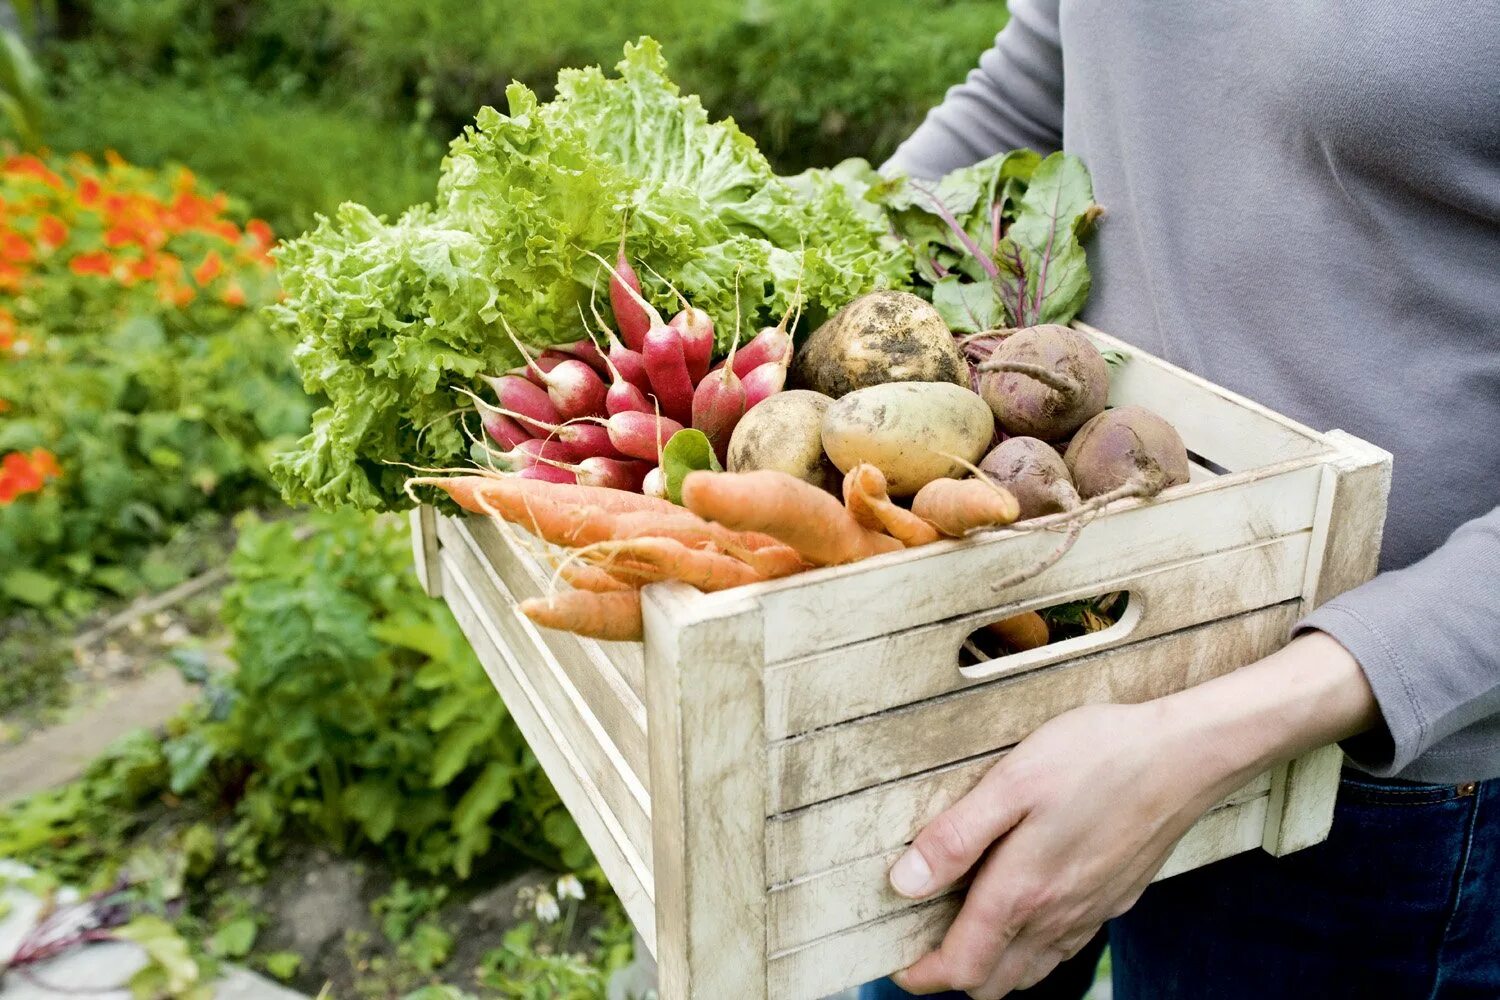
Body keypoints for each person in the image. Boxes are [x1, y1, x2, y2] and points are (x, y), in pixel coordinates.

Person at [860, 2, 1500, 998]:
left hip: (1359, 779)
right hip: (1038, 605)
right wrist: (794, 279)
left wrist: (1199, 740)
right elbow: (1045, 69)